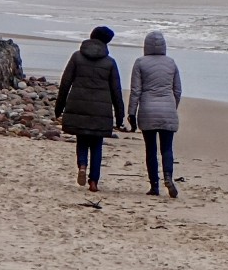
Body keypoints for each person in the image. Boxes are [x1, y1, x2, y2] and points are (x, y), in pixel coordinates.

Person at [54, 26, 124, 192]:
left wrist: (59, 107)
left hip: (78, 105)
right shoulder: (110, 62)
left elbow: (65, 83)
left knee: (82, 140)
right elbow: (116, 91)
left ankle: (82, 165)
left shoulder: (77, 57)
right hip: (101, 110)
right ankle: (94, 182)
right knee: (97, 145)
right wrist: (120, 115)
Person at [128, 30, 182, 198]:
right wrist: (173, 106)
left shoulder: (140, 63)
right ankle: (168, 177)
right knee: (167, 148)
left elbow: (135, 91)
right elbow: (177, 90)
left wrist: (131, 113)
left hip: (147, 110)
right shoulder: (171, 63)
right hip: (168, 110)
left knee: (150, 149)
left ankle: (154, 186)